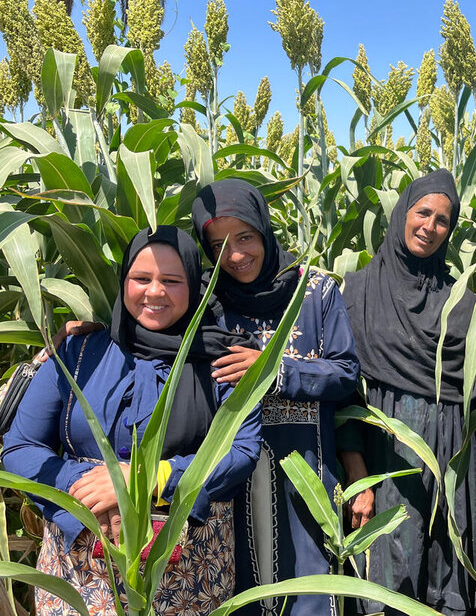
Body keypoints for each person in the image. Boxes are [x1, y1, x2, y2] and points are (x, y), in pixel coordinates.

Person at [3, 226, 262, 615]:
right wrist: (81, 486)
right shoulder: (78, 350)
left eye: (172, 281)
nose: (154, 292)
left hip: (190, 577)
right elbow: (21, 445)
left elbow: (241, 451)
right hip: (79, 573)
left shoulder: (224, 361)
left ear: (193, 285)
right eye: (141, 279)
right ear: (124, 282)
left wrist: (145, 481)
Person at [191, 179, 359, 616]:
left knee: (310, 587)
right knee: (241, 589)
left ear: (264, 230)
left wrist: (275, 371)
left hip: (306, 468)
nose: (236, 256)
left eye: (245, 237)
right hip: (231, 475)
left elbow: (346, 373)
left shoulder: (315, 290)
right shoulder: (204, 298)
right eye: (219, 245)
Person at [340, 168, 476, 615]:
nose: (431, 227)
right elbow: (343, 395)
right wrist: (359, 479)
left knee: (447, 577)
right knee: (390, 578)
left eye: (443, 220)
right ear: (403, 212)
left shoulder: (463, 301)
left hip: (450, 462)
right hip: (387, 458)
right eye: (423, 212)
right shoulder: (359, 291)